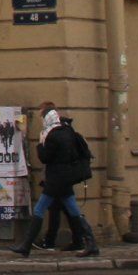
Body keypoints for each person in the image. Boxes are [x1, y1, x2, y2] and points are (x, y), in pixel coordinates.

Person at [12, 105, 99, 257]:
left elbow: (45, 157)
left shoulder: (51, 135)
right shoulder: (67, 131)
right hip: (66, 178)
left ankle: (26, 245)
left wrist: (40, 144)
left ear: (46, 119)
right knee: (73, 209)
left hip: (56, 179)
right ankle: (91, 243)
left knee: (40, 209)